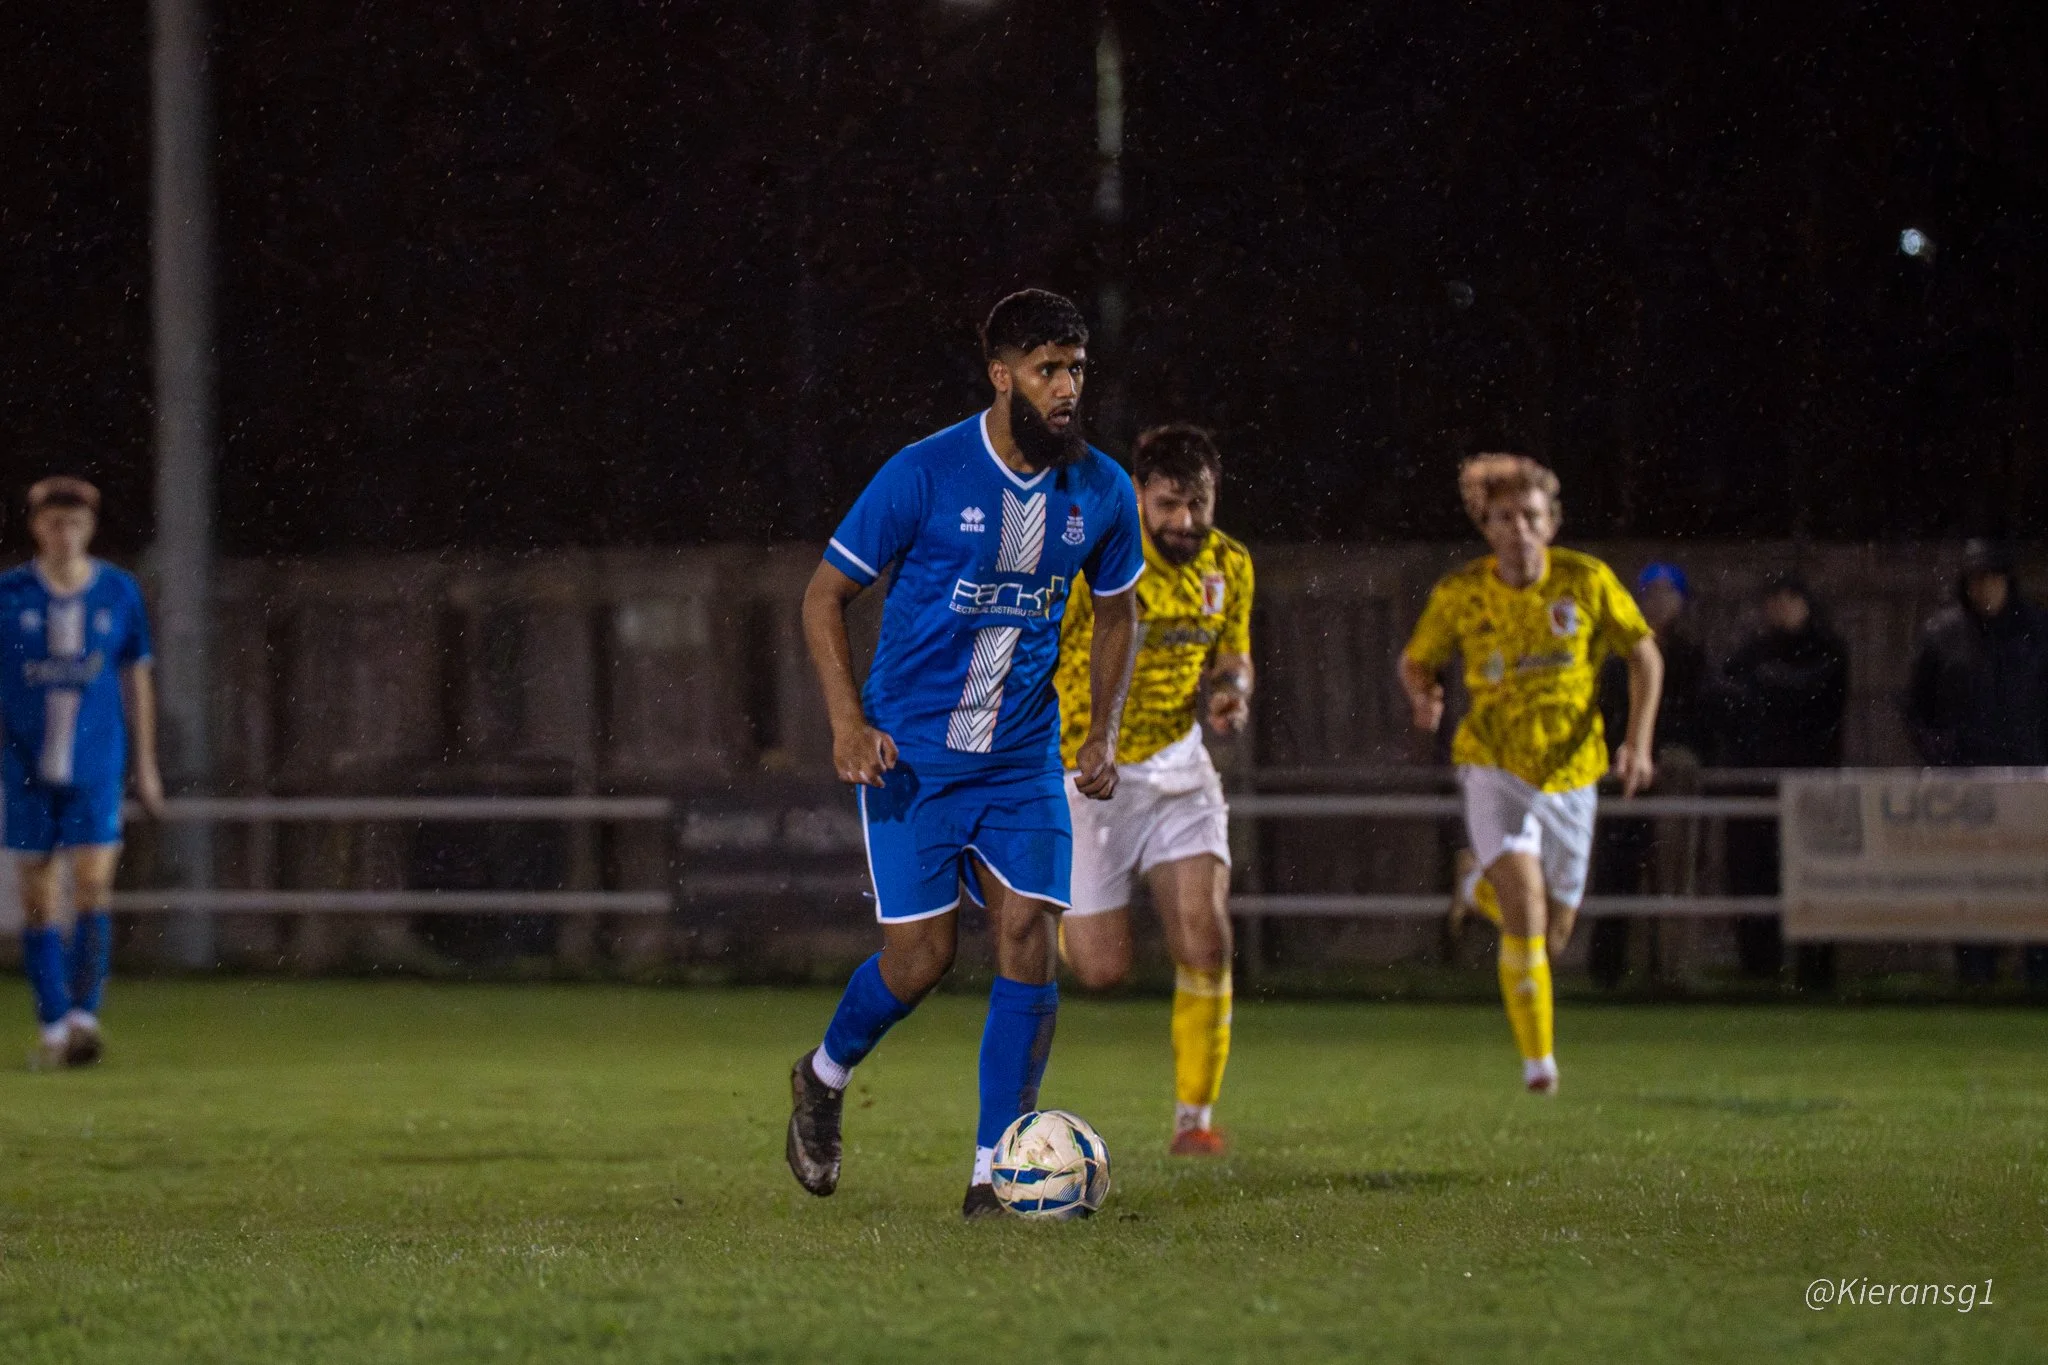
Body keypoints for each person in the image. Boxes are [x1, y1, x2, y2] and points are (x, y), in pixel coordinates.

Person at [786, 290, 1143, 1218]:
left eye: (1076, 369)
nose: (1066, 389)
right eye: (1046, 370)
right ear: (1001, 375)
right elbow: (822, 597)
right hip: (915, 757)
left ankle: (997, 1169)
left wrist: (1100, 729)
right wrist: (846, 722)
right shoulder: (924, 473)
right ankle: (823, 1074)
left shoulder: (1101, 488)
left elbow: (1118, 611)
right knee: (921, 960)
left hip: (1022, 757)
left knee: (1030, 934)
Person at [1399, 454, 1662, 1093]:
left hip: (1572, 773)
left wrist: (1637, 743)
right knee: (1526, 916)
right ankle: (1539, 1064)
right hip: (1493, 766)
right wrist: (1424, 694)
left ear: (1552, 523)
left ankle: (1475, 886)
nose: (1517, 528)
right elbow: (1417, 660)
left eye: (1530, 517)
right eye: (1504, 518)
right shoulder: (1461, 593)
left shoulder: (1586, 580)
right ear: (1486, 527)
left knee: (1558, 932)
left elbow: (1645, 657)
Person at [1052, 424, 1253, 1156]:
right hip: (1090, 779)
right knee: (1103, 968)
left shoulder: (1230, 563)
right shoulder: (1096, 560)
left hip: (1179, 771)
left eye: (1198, 503)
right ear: (1139, 495)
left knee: (1206, 938)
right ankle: (1049, 904)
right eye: (1170, 504)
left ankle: (1193, 1121)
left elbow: (1233, 651)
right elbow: (1037, 652)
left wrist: (1231, 691)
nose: (1186, 521)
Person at [2, 477, 164, 1069]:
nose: (63, 533)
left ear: (90, 529)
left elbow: (136, 676)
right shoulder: (11, 594)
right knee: (40, 902)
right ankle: (51, 1023)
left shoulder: (118, 592)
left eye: (73, 523)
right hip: (25, 768)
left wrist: (146, 764)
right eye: (52, 522)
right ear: (35, 527)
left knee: (95, 887)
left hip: (96, 764)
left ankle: (83, 1016)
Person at [1903, 540, 2048, 988]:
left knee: (2034, 883)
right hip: (1966, 782)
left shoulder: (2038, 631)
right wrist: (1941, 755)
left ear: (2008, 581)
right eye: (1975, 579)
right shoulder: (1943, 634)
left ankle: (2038, 975)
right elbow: (1914, 707)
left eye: (1990, 578)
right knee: (1971, 884)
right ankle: (1976, 975)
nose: (1983, 588)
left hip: (2030, 779)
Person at [1589, 561, 1714, 988]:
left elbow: (1699, 714)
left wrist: (1663, 752)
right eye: (1650, 593)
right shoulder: (1618, 653)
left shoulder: (1692, 656)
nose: (1657, 602)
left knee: (1674, 871)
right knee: (1617, 866)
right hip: (1625, 774)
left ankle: (1671, 968)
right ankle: (1607, 970)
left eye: (1667, 593)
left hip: (1671, 774)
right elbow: (1609, 707)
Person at [1720, 574, 1849, 986]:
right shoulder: (1749, 653)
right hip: (1758, 781)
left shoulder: (1828, 651)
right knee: (1754, 875)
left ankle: (1817, 973)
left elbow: (1818, 699)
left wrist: (1765, 687)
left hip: (1814, 784)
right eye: (1775, 599)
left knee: (1817, 877)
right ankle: (1759, 970)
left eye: (1792, 598)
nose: (1782, 607)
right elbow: (1727, 699)